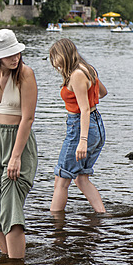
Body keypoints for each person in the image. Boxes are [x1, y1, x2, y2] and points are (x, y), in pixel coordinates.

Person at [0, 29, 38, 260]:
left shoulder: (25, 74)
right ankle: (8, 259)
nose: (15, 58)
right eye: (9, 54)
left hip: (19, 143)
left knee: (11, 208)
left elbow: (28, 119)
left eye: (17, 52)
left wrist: (15, 156)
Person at [48, 38, 108, 214]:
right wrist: (89, 96)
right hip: (96, 126)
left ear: (64, 55)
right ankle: (102, 215)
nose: (55, 64)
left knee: (61, 179)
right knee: (81, 179)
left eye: (56, 59)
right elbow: (103, 93)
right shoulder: (88, 69)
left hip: (81, 128)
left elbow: (84, 110)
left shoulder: (76, 75)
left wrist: (82, 141)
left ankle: (55, 226)